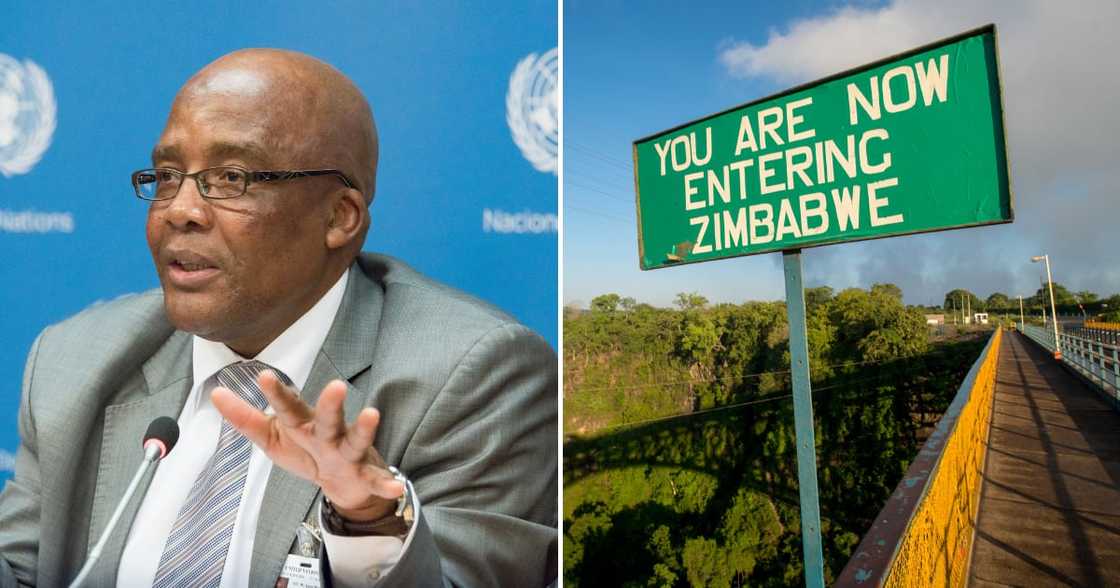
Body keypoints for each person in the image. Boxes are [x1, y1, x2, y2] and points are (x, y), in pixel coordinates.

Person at [0, 49, 557, 587]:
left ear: (339, 218)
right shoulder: (73, 362)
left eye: (232, 178)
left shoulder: (476, 376)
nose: (180, 211)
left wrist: (369, 520)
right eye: (167, 176)